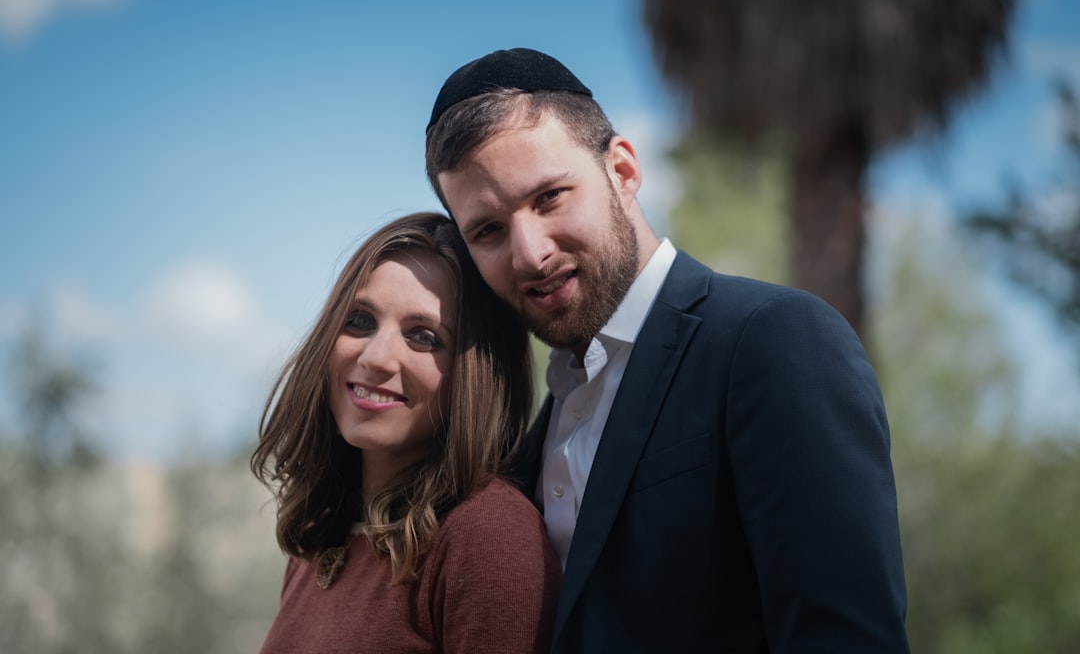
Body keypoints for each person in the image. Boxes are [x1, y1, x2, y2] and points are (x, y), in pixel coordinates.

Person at [424, 48, 910, 652]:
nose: (530, 252)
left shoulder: (773, 340)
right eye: (488, 230)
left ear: (622, 171)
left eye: (549, 197)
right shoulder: (528, 446)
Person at [252, 212, 562, 654]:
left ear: (474, 376)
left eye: (423, 337)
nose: (377, 357)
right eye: (359, 321)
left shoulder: (489, 537)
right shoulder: (322, 535)